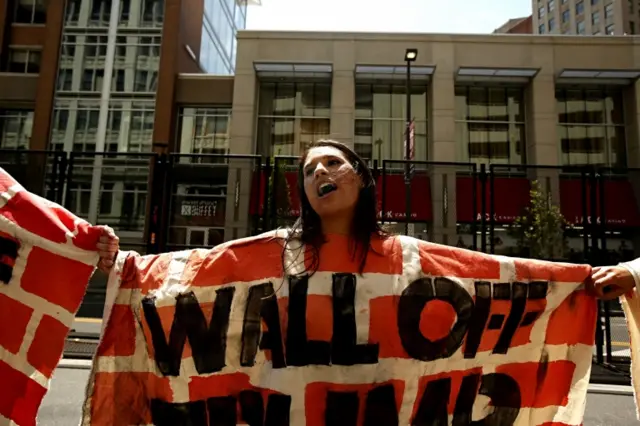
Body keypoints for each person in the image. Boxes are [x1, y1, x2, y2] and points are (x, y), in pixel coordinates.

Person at [94, 139, 640, 301]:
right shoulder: (269, 253)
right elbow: (197, 268)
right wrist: (121, 265)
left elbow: (487, 271)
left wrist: (581, 283)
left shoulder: (406, 255)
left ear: (361, 177)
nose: (319, 173)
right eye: (308, 170)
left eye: (333, 162)